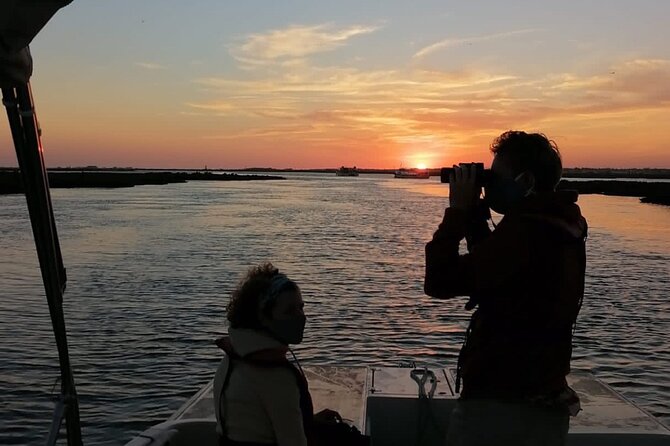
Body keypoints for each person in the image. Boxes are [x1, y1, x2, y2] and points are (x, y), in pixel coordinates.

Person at [424, 131, 588, 443]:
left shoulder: (526, 231)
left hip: (500, 404)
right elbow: (496, 274)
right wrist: (476, 216)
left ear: (525, 182)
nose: (488, 184)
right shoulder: (560, 223)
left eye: (496, 176)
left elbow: (440, 280)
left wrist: (457, 213)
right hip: (543, 396)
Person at [213, 263, 366, 446]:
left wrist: (309, 420)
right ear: (263, 316)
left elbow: (255, 425)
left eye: (301, 307)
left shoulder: (234, 357)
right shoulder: (276, 377)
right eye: (289, 311)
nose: (301, 317)